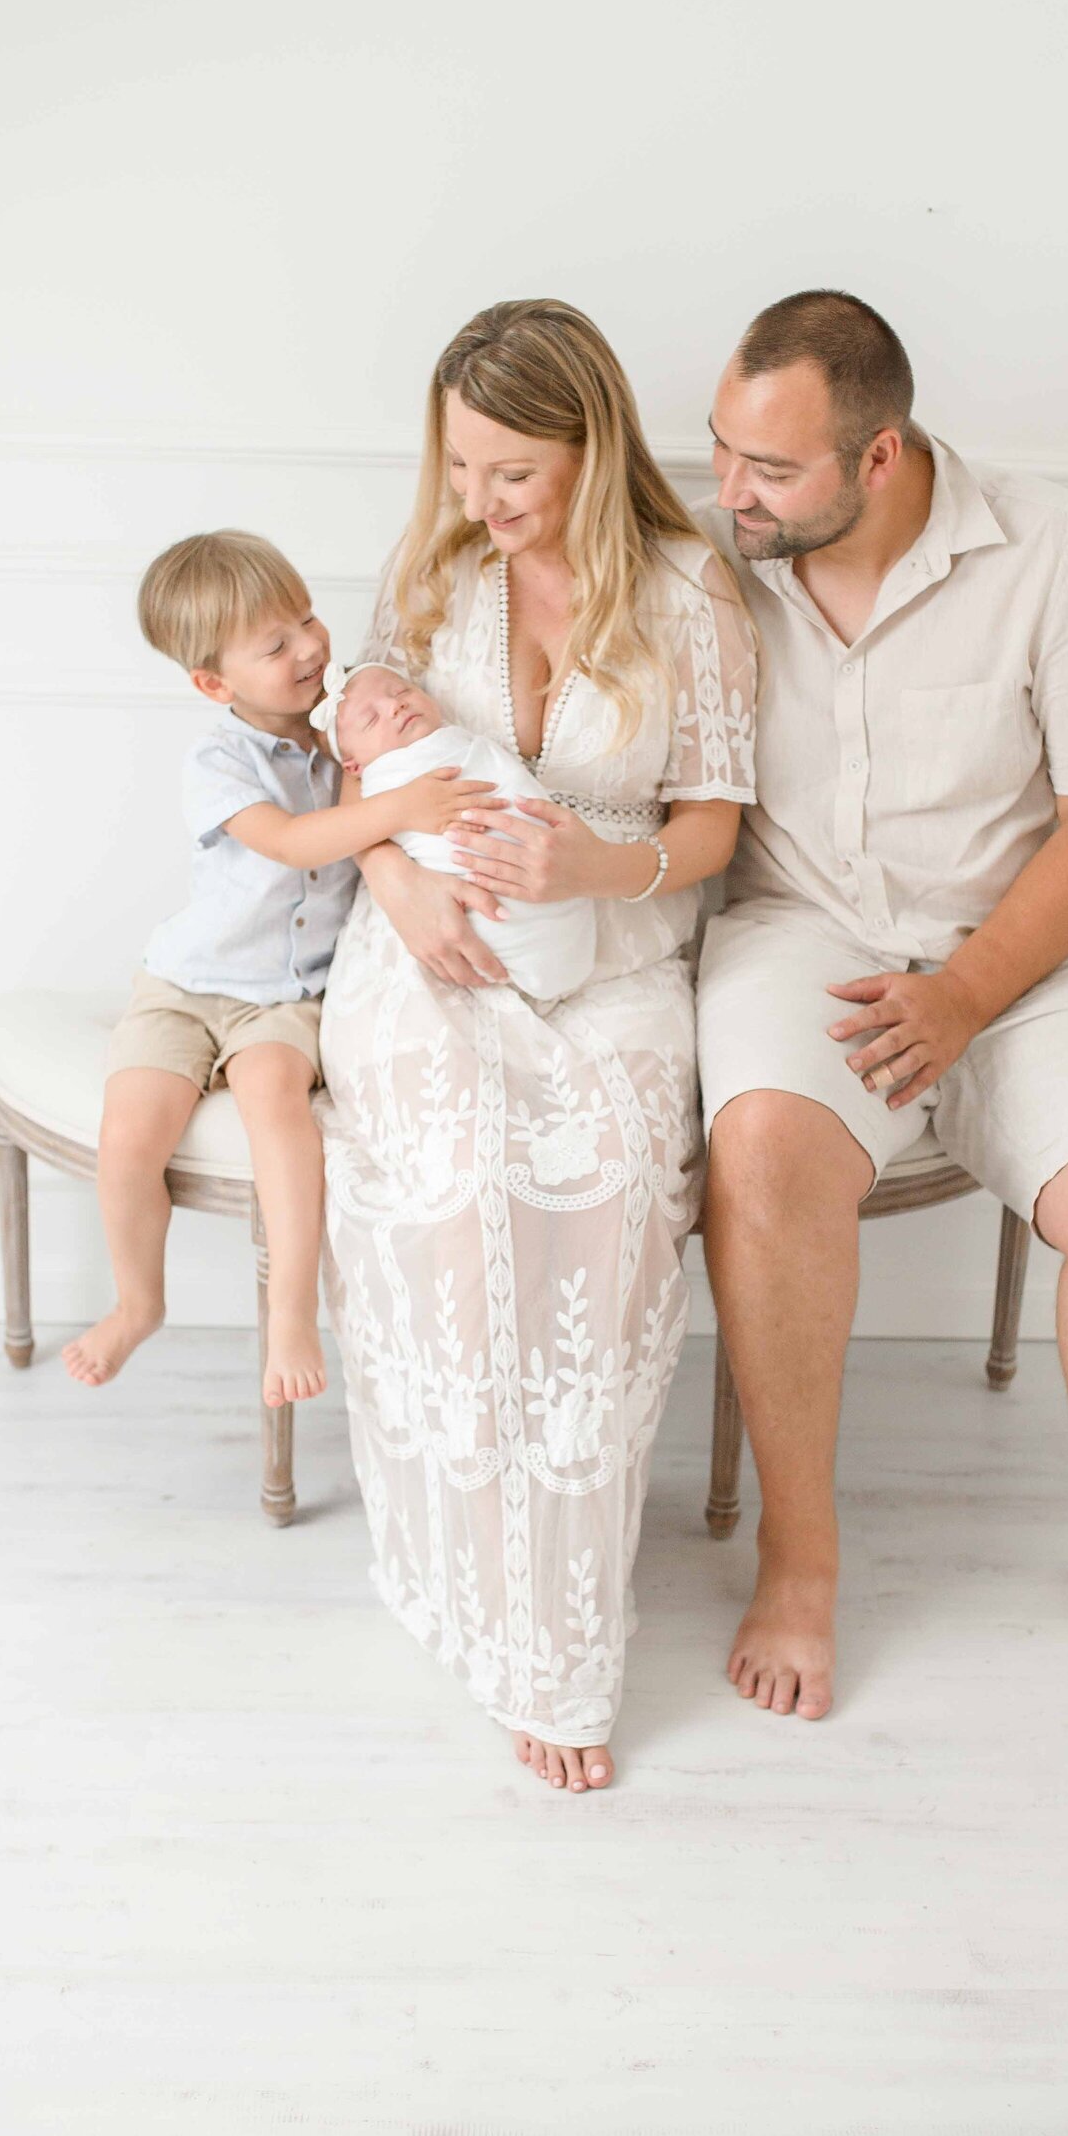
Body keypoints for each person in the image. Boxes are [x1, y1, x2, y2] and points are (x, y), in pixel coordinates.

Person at [695, 290, 1068, 1721]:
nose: (730, 494)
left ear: (880, 458)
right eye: (720, 452)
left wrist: (965, 993)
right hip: (799, 942)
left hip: (1017, 963)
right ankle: (800, 1556)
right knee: (761, 1148)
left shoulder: (1052, 549)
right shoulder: (712, 562)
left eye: (770, 469)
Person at [315, 299, 757, 1796]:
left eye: (514, 474)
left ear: (595, 445)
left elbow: (712, 824)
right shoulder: (436, 572)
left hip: (616, 940)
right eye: (460, 468)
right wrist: (398, 883)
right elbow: (362, 768)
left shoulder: (693, 594)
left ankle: (559, 1638)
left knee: (612, 1191)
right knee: (453, 1166)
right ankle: (466, 1581)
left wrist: (598, 877)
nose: (479, 505)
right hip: (426, 927)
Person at [62, 530, 494, 1407]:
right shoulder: (219, 761)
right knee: (128, 1134)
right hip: (189, 981)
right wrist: (395, 802)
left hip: (289, 999)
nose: (308, 647)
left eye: (305, 618)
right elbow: (294, 843)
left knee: (276, 1111)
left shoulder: (352, 730)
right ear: (214, 684)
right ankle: (138, 1302)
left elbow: (405, 775)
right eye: (275, 643)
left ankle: (292, 1316)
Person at [315, 658, 596, 998]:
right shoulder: (383, 783)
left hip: (568, 877)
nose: (394, 705)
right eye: (371, 719)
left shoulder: (458, 744)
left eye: (402, 690)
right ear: (353, 766)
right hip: (451, 915)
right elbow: (357, 826)